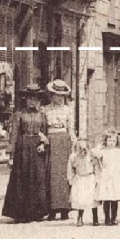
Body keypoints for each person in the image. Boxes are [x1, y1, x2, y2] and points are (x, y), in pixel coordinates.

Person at [3, 87, 52, 223]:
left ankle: (36, 212)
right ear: (26, 99)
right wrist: (11, 154)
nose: (32, 102)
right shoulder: (19, 114)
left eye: (35, 99)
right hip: (23, 146)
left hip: (37, 148)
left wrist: (43, 144)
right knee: (21, 177)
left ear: (38, 101)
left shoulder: (42, 115)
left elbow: (45, 132)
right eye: (30, 98)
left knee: (37, 178)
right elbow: (14, 134)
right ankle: (20, 213)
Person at [42, 79, 76, 220]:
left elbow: (71, 129)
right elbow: (42, 128)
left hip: (64, 141)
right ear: (51, 96)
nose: (59, 98)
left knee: (65, 175)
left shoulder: (68, 110)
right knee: (51, 175)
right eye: (56, 95)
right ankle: (52, 208)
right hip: (51, 141)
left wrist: (74, 144)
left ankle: (64, 209)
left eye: (61, 95)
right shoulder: (46, 110)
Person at [94, 131, 120, 226]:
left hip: (116, 176)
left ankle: (114, 218)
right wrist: (100, 145)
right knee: (107, 198)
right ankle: (107, 218)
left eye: (113, 141)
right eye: (109, 140)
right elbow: (94, 153)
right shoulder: (103, 152)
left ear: (116, 142)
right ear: (106, 141)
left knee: (114, 199)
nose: (111, 142)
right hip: (106, 176)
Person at [68, 137, 100, 227]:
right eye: (79, 147)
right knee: (81, 199)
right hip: (79, 178)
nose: (82, 150)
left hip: (90, 178)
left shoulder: (91, 155)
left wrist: (97, 179)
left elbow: (97, 167)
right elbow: (70, 169)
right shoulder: (73, 157)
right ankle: (80, 217)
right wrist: (70, 179)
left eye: (84, 147)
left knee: (92, 198)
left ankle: (95, 217)